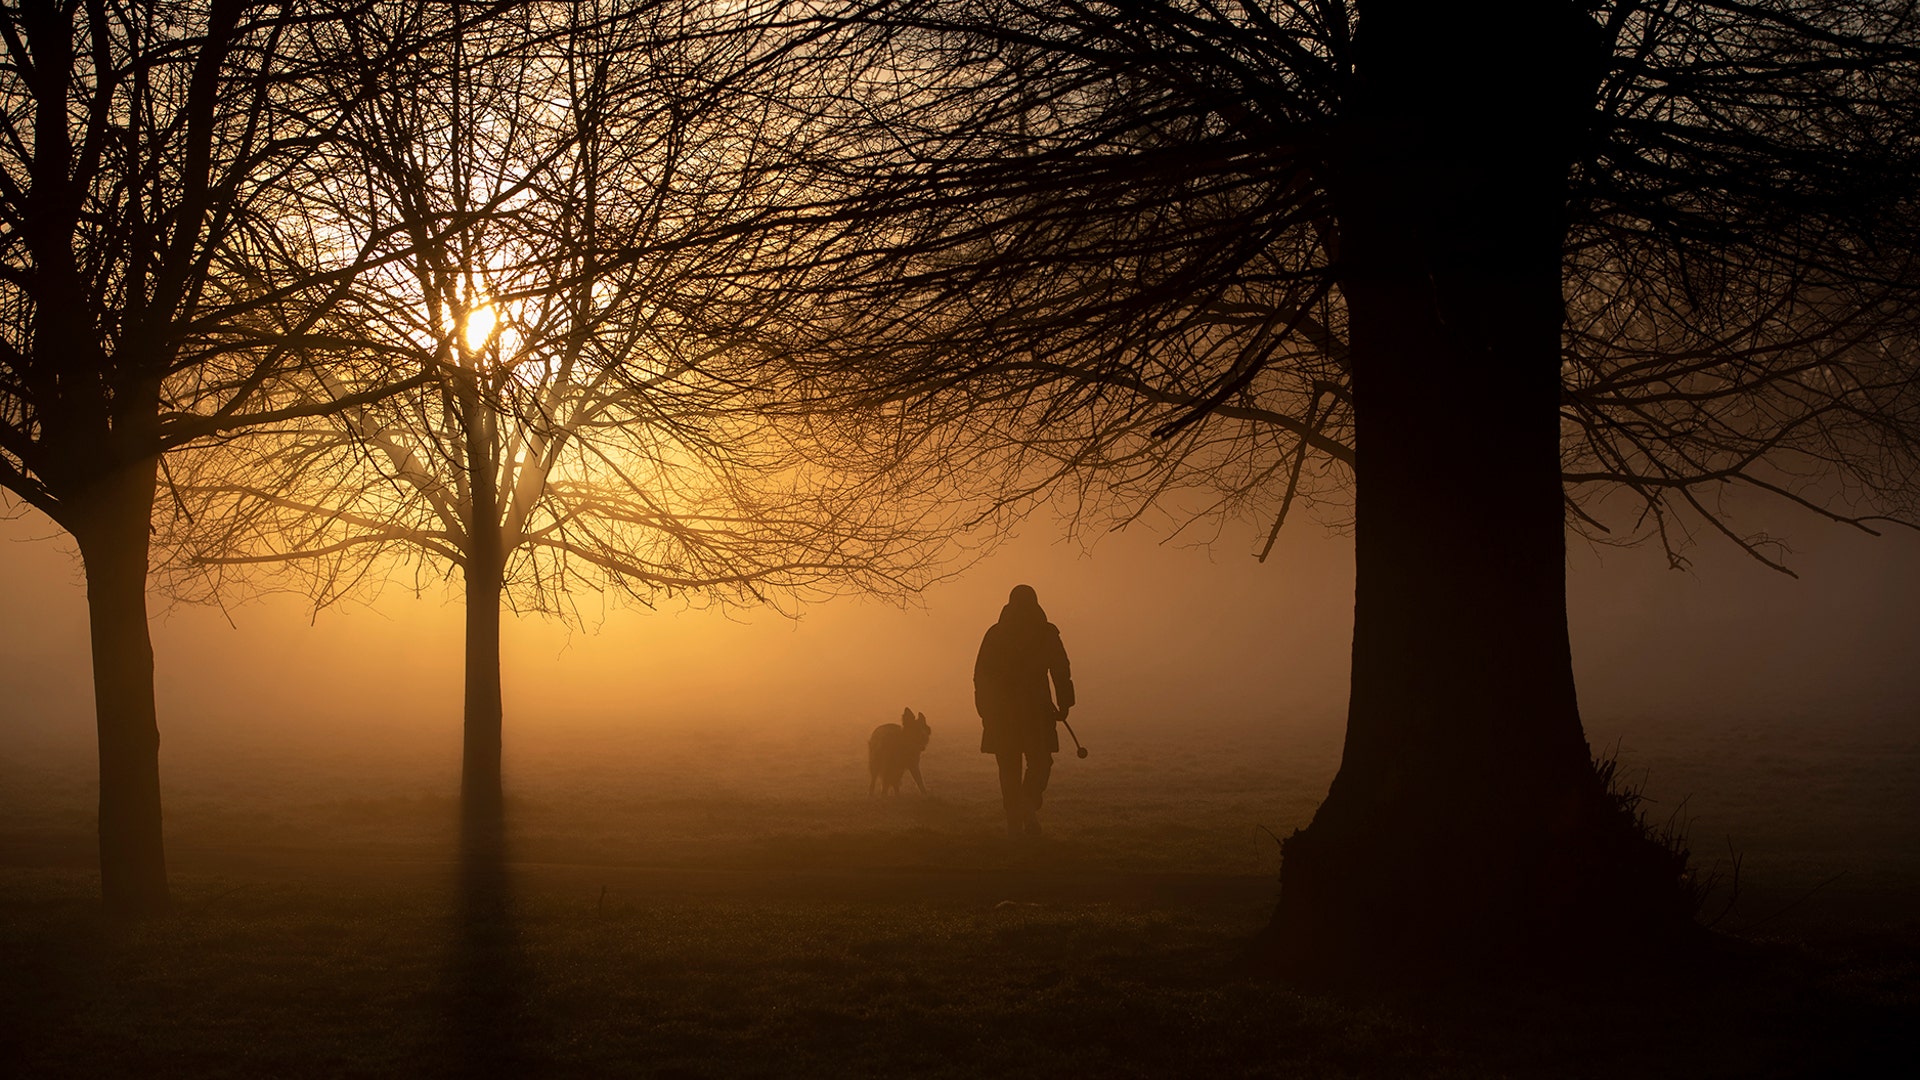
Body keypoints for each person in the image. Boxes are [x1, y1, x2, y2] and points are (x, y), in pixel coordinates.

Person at [973, 584, 1075, 837]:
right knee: (1041, 762)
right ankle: (1028, 803)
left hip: (1002, 713)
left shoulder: (995, 634)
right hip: (1036, 711)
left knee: (1008, 768)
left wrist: (985, 710)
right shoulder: (1046, 633)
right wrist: (1064, 703)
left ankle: (1015, 823)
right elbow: (1061, 670)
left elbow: (980, 676)